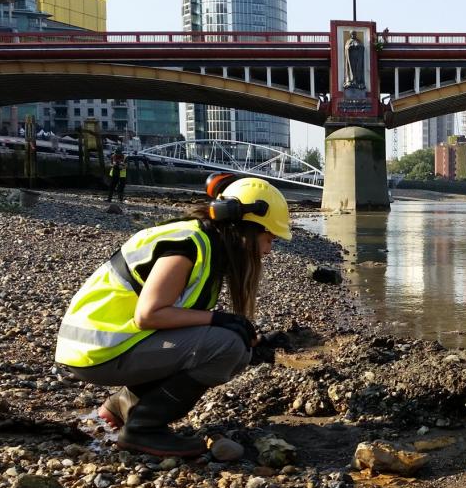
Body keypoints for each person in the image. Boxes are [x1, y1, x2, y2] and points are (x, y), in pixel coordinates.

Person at [54, 176, 292, 457]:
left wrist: (243, 332)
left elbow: (178, 320)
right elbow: (149, 314)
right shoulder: (188, 246)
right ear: (244, 228)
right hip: (98, 350)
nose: (268, 250)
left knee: (237, 347)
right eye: (268, 238)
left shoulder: (207, 243)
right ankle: (144, 430)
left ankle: (123, 405)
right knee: (227, 347)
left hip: (109, 344)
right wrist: (218, 320)